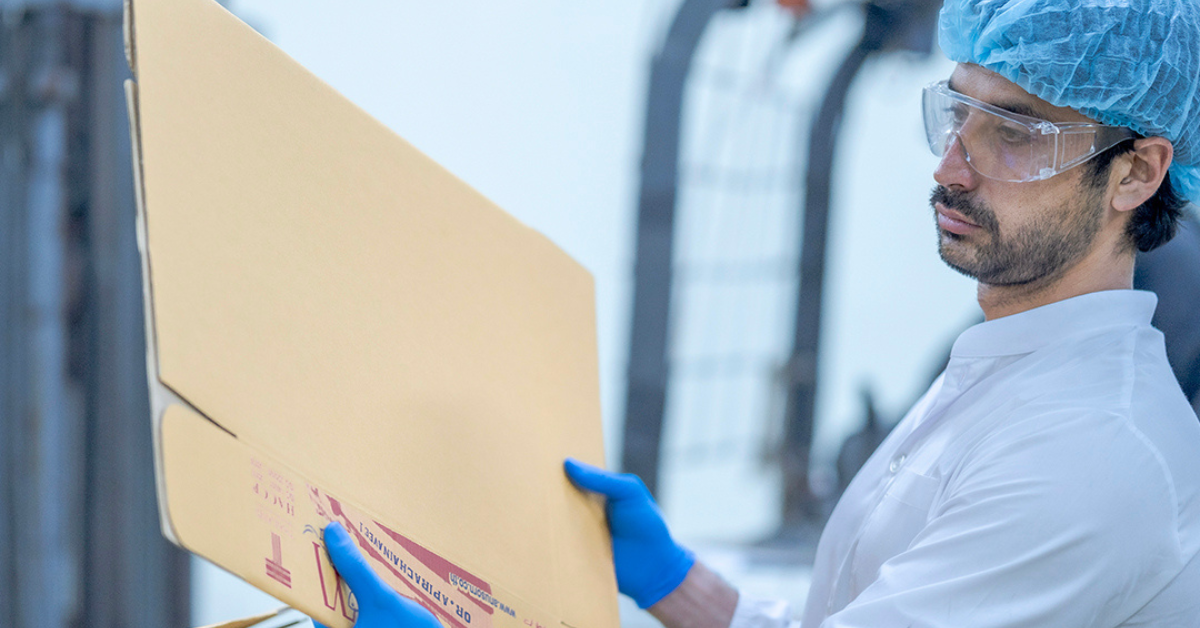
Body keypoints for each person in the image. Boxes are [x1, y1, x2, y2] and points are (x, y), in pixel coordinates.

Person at [316, 0, 1200, 625]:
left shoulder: (1090, 457)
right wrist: (687, 590)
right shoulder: (1007, 368)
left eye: (1016, 132)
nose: (951, 168)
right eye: (957, 116)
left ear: (1136, 172)